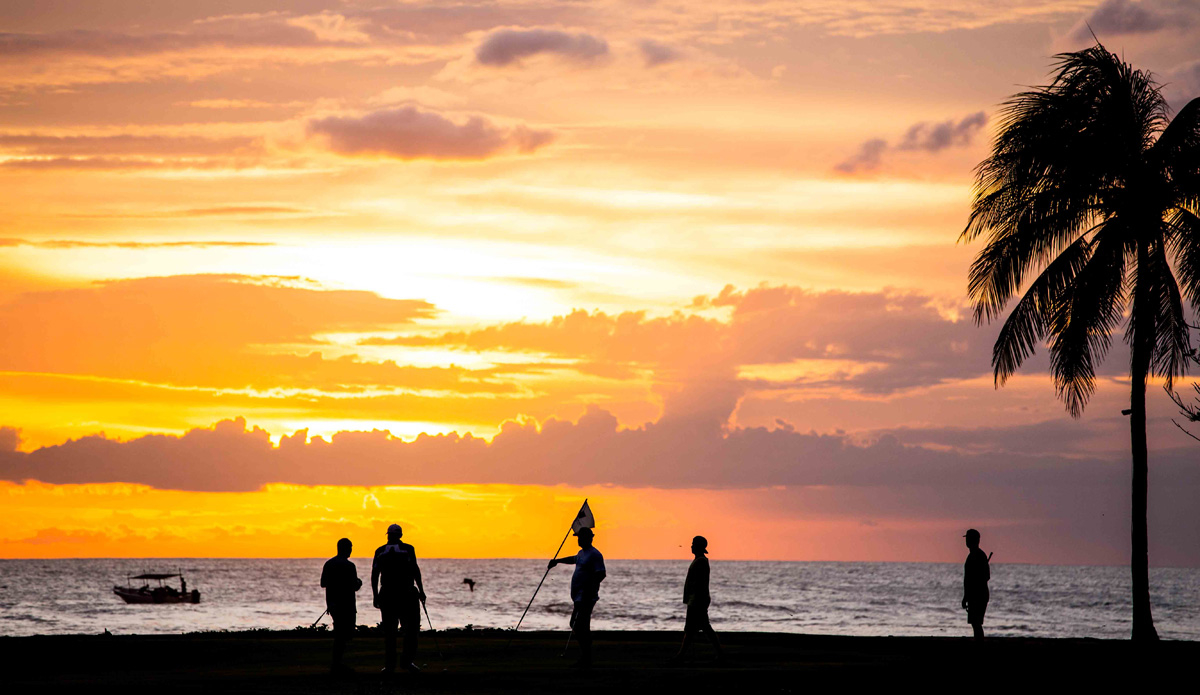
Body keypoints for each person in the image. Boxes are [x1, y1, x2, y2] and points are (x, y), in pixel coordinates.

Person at [548, 527, 605, 668]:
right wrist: (558, 561)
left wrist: (588, 590)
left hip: (586, 597)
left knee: (578, 624)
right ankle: (586, 656)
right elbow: (573, 559)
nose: (579, 539)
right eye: (578, 537)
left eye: (581, 537)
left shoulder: (595, 554)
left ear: (589, 538)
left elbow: (601, 574)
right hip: (579, 597)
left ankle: (587, 658)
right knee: (578, 625)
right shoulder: (582, 553)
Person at [372, 523, 426, 673]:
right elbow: (415, 570)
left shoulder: (380, 551)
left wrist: (375, 595)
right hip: (406, 594)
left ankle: (391, 665)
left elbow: (375, 575)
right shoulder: (408, 549)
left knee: (390, 632)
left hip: (388, 594)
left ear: (388, 535)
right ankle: (405, 662)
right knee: (411, 629)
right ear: (400, 535)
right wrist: (421, 590)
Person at [672, 535, 723, 662]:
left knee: (695, 628)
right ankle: (682, 655)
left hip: (697, 600)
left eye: (693, 544)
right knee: (699, 628)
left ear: (698, 546)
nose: (691, 546)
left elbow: (700, 583)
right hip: (696, 599)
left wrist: (695, 600)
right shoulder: (700, 560)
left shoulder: (701, 561)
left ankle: (681, 656)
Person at [321, 537, 362, 674]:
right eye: (350, 547)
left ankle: (337, 663)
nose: (351, 550)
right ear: (345, 548)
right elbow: (354, 586)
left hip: (333, 604)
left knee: (340, 633)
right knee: (343, 635)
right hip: (347, 604)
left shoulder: (329, 564)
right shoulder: (350, 566)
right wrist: (358, 582)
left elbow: (323, 583)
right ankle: (336, 664)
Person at [962, 528, 991, 640]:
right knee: (975, 623)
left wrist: (971, 592)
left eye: (969, 538)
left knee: (976, 623)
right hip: (975, 595)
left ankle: (979, 646)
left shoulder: (979, 555)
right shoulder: (973, 555)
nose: (967, 541)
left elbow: (986, 576)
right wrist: (966, 596)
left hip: (979, 595)